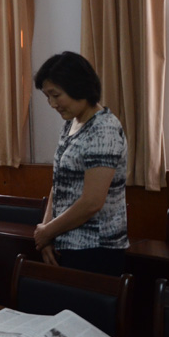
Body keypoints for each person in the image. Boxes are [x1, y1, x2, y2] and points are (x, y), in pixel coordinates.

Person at [33, 51, 128, 276]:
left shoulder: (104, 128)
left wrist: (47, 232)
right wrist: (45, 232)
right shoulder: (71, 124)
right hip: (64, 242)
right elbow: (59, 183)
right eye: (47, 96)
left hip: (96, 249)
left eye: (56, 95)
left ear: (78, 87)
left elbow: (92, 202)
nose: (52, 104)